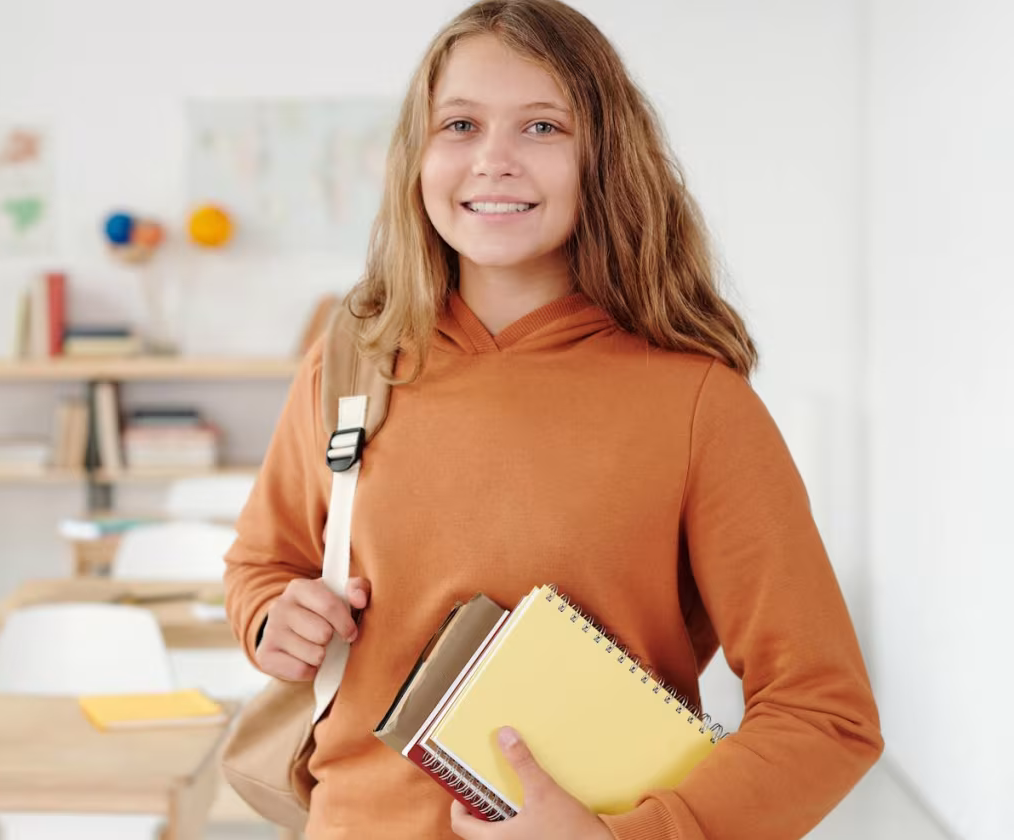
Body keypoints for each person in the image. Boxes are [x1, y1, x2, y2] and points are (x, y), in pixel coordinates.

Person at [222, 1, 883, 838]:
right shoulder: (352, 361)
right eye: (459, 124)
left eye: (542, 126)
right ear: (417, 156)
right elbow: (264, 563)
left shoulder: (698, 403)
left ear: (603, 158)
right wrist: (273, 620)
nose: (493, 160)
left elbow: (825, 713)